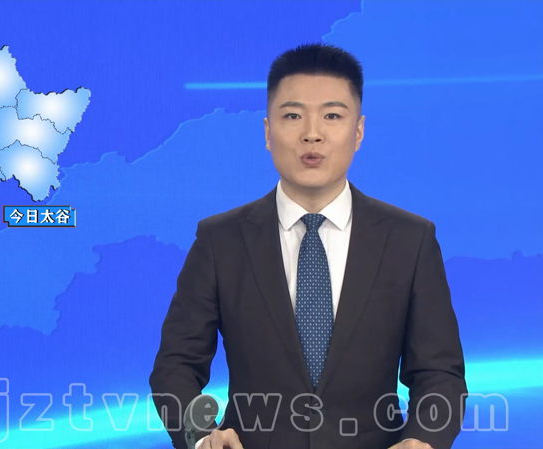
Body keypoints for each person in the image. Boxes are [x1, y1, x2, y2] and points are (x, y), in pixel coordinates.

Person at [149, 43, 467, 449]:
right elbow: (176, 366)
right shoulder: (220, 240)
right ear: (268, 132)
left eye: (332, 116)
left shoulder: (409, 239)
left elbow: (440, 373)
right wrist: (201, 436)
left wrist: (423, 439)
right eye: (293, 115)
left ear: (358, 131)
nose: (311, 133)